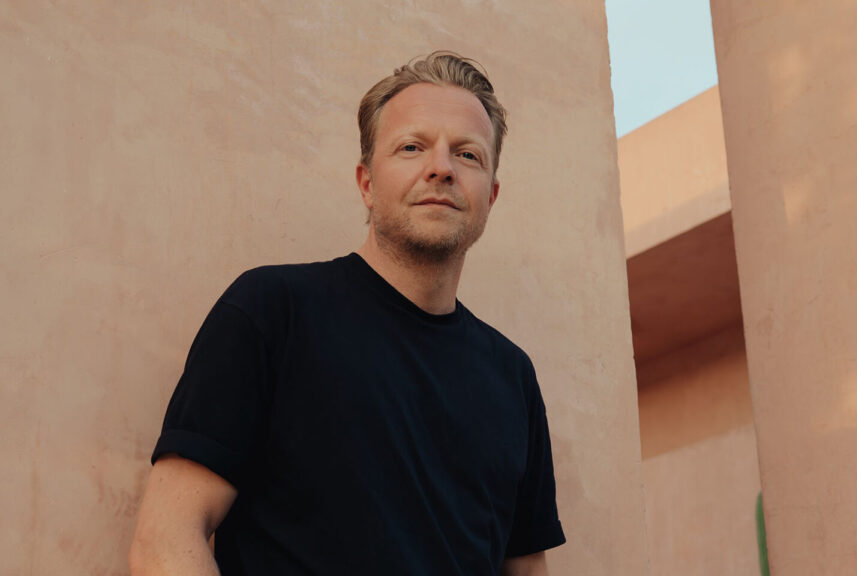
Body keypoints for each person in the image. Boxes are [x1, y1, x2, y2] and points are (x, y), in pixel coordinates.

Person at [129, 51, 565, 576]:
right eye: (412, 147)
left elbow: (526, 569)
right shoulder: (272, 312)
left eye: (468, 155)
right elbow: (167, 539)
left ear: (490, 197)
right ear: (366, 183)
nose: (441, 168)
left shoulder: (512, 377)